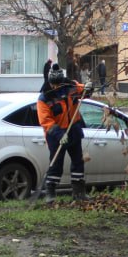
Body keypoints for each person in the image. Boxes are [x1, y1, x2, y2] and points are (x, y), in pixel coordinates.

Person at [37, 67, 88, 202]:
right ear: (50, 82)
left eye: (59, 83)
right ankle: (50, 192)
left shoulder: (70, 86)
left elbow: (83, 90)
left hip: (74, 129)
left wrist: (88, 88)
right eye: (54, 84)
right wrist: (60, 134)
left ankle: (79, 193)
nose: (56, 86)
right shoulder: (44, 98)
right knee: (56, 163)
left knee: (78, 161)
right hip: (55, 134)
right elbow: (46, 121)